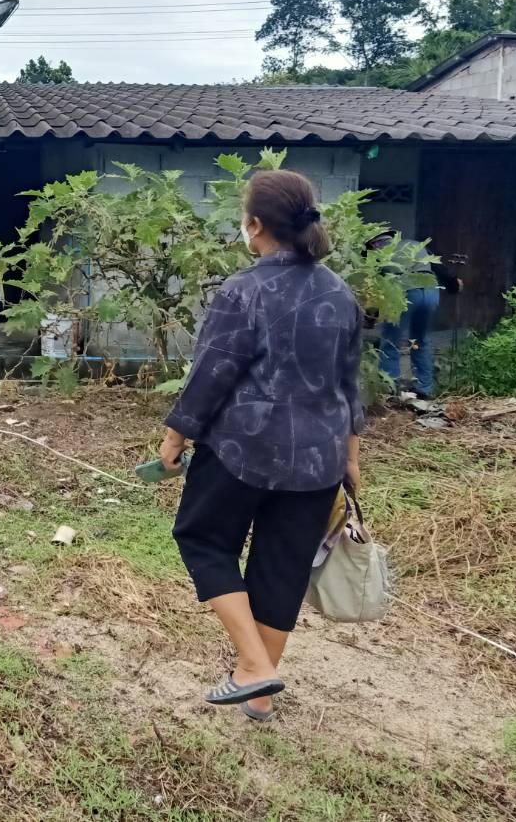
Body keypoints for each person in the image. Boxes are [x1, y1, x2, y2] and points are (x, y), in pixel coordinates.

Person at [157, 170, 364, 722]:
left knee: (201, 537)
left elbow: (211, 373)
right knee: (282, 567)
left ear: (254, 226)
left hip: (241, 450)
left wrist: (176, 434)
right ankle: (262, 690)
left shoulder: (243, 290)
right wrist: (350, 457)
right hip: (318, 458)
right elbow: (349, 384)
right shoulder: (340, 293)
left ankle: (254, 667)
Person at [368, 230, 463, 399]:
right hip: (431, 292)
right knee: (421, 339)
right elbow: (438, 266)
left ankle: (390, 389)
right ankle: (424, 389)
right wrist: (454, 284)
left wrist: (372, 313)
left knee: (391, 340)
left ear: (374, 243)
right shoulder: (414, 244)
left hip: (405, 292)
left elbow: (375, 287)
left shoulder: (377, 254)